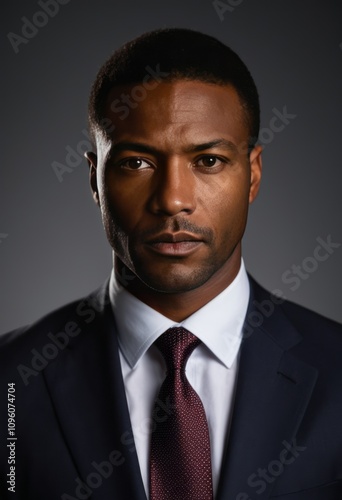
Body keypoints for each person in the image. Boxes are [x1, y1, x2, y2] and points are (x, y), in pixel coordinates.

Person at [1, 28, 341, 500]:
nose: (173, 200)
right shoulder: (10, 382)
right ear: (94, 180)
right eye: (137, 163)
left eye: (208, 160)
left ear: (253, 173)